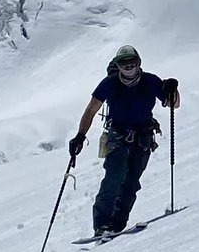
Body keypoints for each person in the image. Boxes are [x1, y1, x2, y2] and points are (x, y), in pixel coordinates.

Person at [68, 46, 180, 240]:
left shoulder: (150, 81)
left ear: (138, 63)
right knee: (114, 176)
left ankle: (116, 225)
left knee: (131, 182)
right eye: (124, 63)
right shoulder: (110, 84)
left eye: (132, 62)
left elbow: (173, 104)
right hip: (118, 135)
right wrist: (80, 135)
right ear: (118, 66)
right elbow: (91, 110)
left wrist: (172, 90)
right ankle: (102, 226)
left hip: (143, 137)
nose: (129, 66)